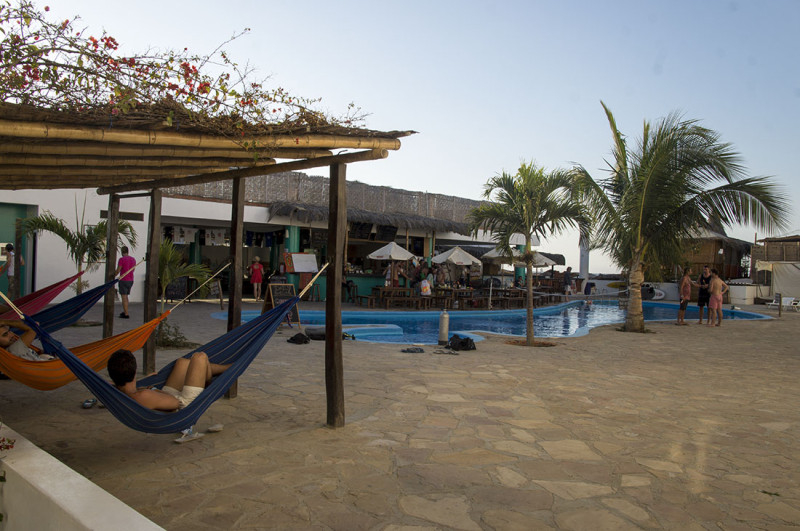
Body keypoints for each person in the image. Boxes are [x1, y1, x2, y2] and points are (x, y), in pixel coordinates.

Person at [107, 349, 230, 412]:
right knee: (200, 357)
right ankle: (209, 380)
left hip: (163, 397)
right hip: (183, 404)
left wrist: (146, 382)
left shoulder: (115, 389)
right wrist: (154, 390)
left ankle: (213, 372)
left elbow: (121, 385)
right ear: (134, 372)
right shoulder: (143, 395)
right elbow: (175, 404)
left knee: (182, 363)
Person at [114, 246, 136, 319]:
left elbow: (118, 270)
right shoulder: (133, 259)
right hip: (131, 280)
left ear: (122, 252)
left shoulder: (121, 259)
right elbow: (133, 270)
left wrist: (113, 275)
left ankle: (126, 314)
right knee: (126, 296)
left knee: (124, 297)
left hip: (124, 280)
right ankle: (125, 311)